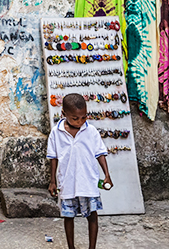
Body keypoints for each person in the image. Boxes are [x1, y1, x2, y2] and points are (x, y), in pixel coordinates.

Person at [48, 93, 113, 249]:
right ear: (63, 114)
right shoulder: (56, 133)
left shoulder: (91, 131)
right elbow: (53, 158)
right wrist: (52, 181)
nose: (80, 121)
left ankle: (92, 247)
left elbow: (100, 154)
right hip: (67, 182)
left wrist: (107, 175)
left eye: (83, 117)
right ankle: (71, 247)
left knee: (92, 216)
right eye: (75, 118)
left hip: (88, 182)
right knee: (68, 217)